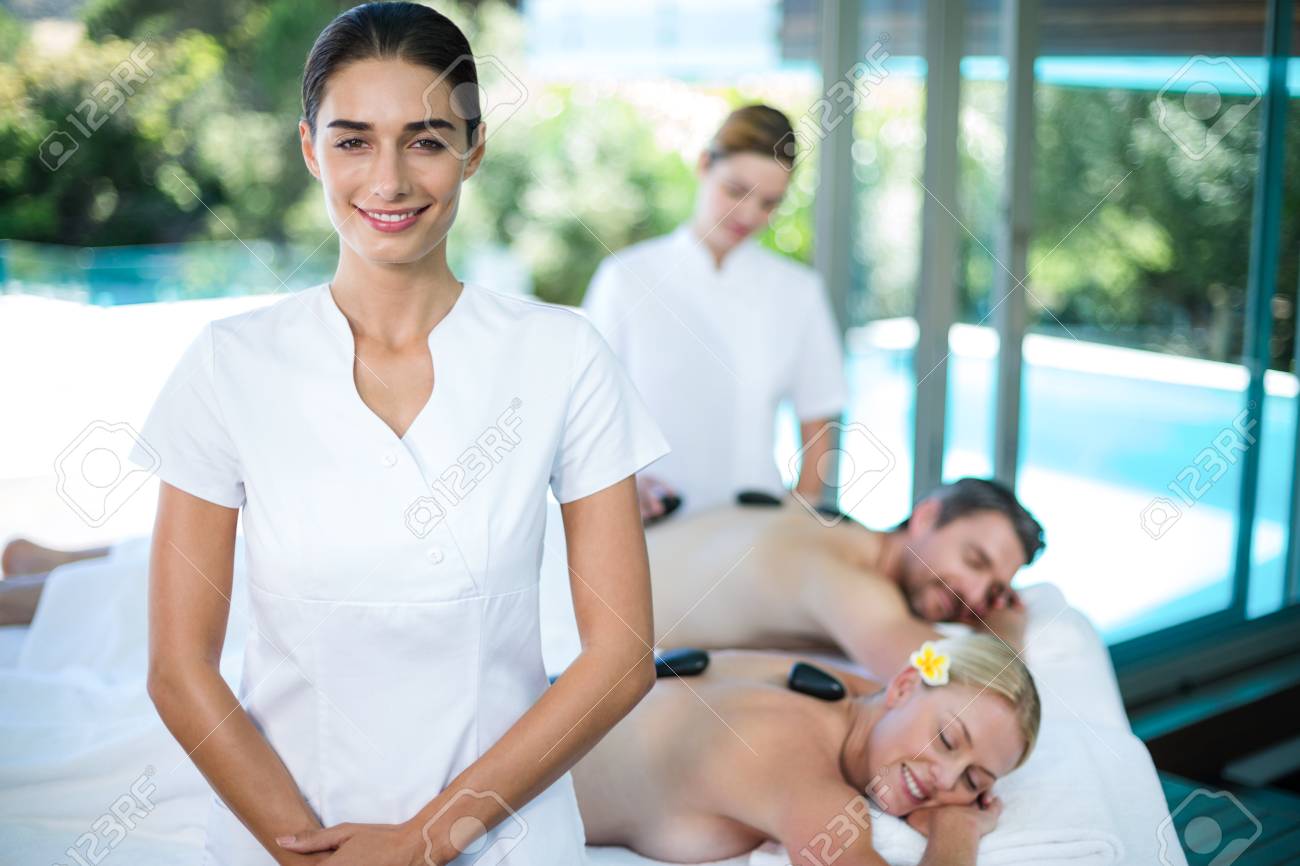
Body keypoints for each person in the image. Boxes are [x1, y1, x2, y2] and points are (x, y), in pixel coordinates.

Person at [125, 5, 669, 865]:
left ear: (473, 149)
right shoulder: (229, 365)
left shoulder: (563, 356)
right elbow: (179, 669)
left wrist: (422, 843)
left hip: (505, 840)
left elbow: (622, 658)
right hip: (281, 837)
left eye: (426, 140)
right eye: (353, 141)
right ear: (310, 149)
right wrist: (306, 850)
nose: (389, 180)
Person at [583, 104, 847, 521]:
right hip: (649, 524)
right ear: (704, 164)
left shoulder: (799, 291)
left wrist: (797, 519)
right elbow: (588, 416)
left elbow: (819, 418)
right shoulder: (625, 278)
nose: (749, 214)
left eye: (769, 203)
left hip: (756, 528)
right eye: (736, 191)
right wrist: (622, 492)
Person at [573, 635, 1041, 866]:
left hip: (554, 702)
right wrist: (958, 830)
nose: (946, 779)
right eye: (948, 740)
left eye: (973, 781)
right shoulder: (809, 783)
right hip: (534, 767)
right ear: (903, 687)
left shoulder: (839, 692)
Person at [646, 478, 1046, 678]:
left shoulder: (831, 525)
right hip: (610, 622)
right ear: (925, 518)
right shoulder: (851, 583)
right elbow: (971, 686)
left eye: (994, 591)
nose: (974, 595)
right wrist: (1007, 628)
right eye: (974, 560)